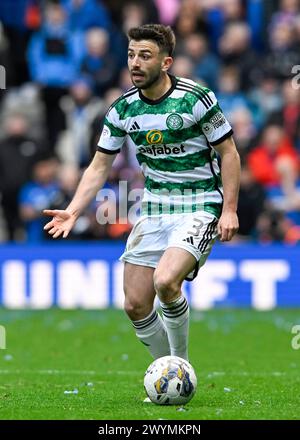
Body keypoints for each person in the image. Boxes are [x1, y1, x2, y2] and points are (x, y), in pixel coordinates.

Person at [44, 24, 240, 366]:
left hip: (200, 203)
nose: (135, 62)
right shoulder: (122, 110)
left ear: (166, 63)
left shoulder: (195, 99)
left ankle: (179, 366)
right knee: (135, 304)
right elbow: (99, 166)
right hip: (154, 207)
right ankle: (169, 373)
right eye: (132, 55)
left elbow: (230, 153)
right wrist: (73, 210)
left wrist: (230, 210)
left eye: (145, 56)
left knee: (166, 282)